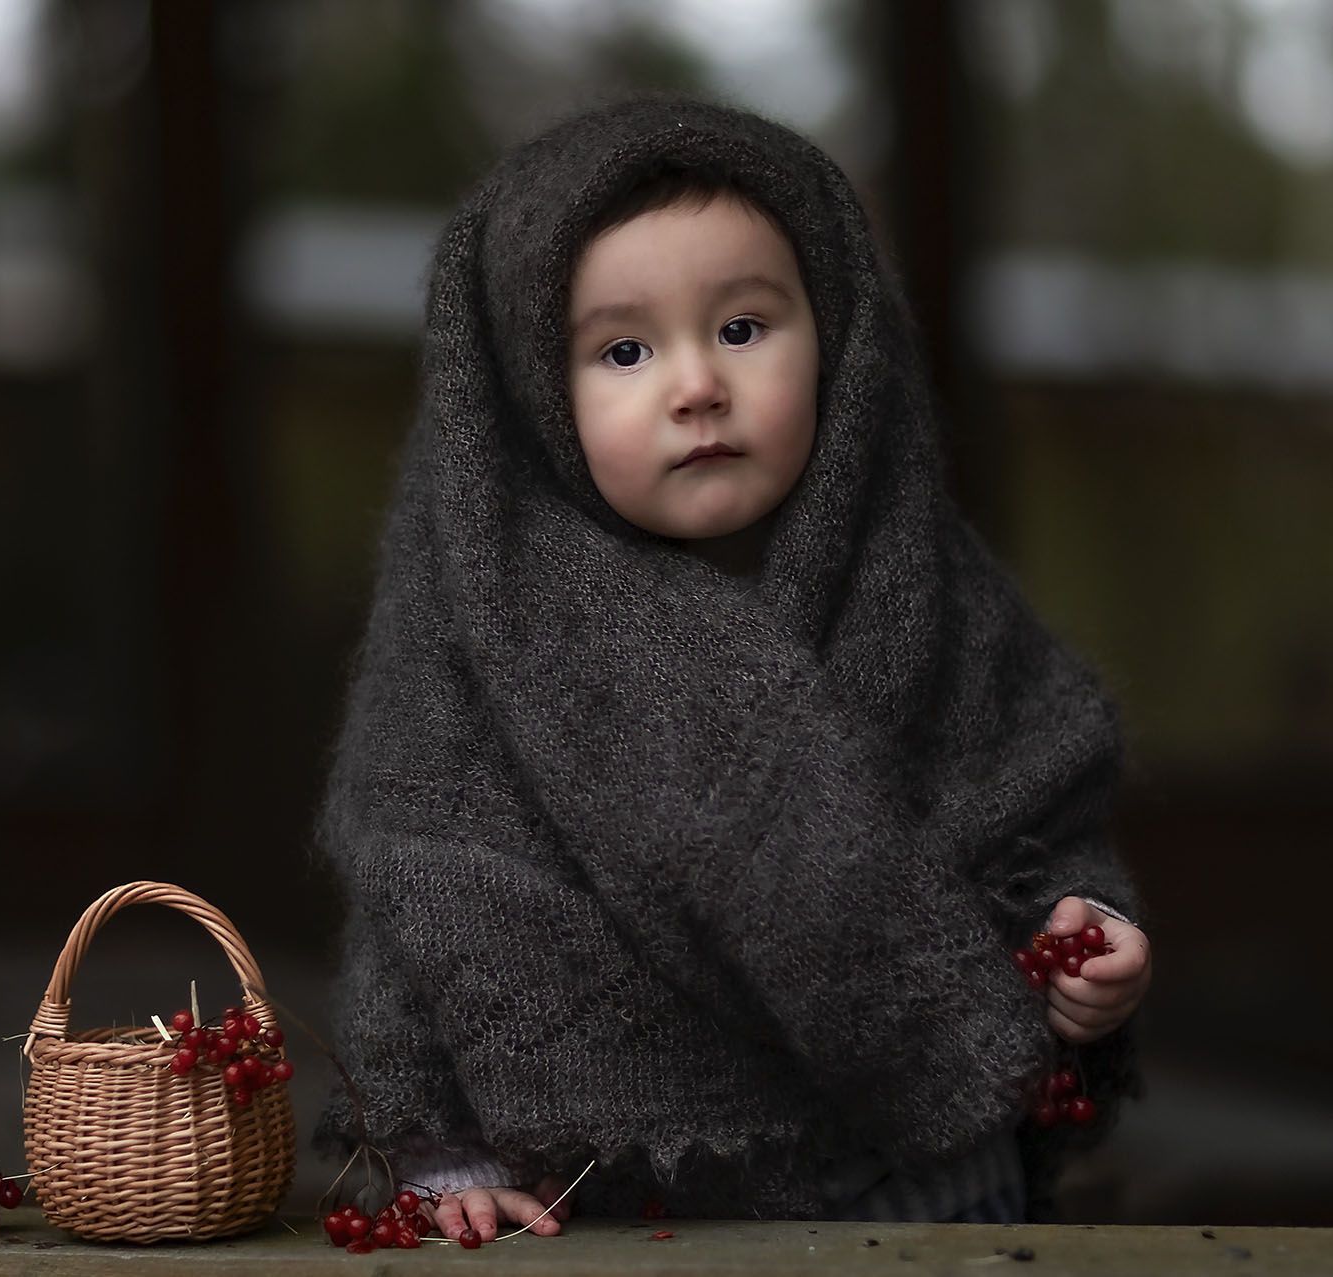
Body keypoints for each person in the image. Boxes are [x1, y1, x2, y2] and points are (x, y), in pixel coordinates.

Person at [312, 91, 1153, 1241]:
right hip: (623, 1206)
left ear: (844, 338)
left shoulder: (931, 595)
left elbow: (1041, 826)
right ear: (524, 399)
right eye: (623, 349)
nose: (697, 383)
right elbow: (422, 911)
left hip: (936, 1189)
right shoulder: (472, 650)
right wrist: (444, 1157)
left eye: (744, 328)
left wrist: (1090, 939)